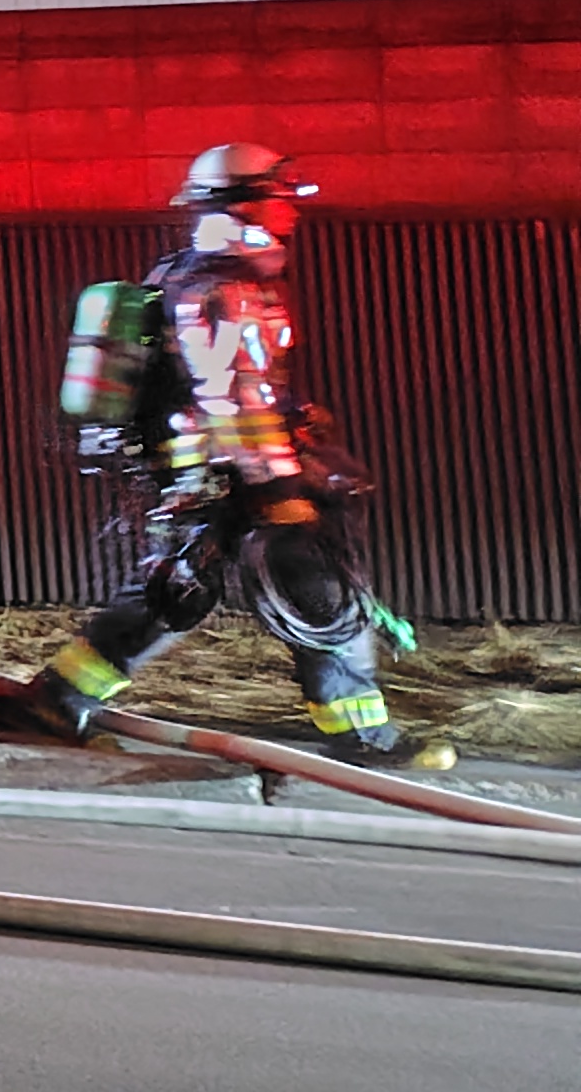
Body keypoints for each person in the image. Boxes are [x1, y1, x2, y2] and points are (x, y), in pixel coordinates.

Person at [24, 144, 454, 768]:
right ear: (247, 202)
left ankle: (58, 699)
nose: (291, 211)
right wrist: (280, 488)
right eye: (281, 197)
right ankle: (362, 739)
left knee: (170, 597)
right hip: (235, 478)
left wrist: (295, 420)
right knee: (320, 595)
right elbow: (233, 397)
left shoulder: (190, 273)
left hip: (201, 477)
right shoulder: (226, 287)